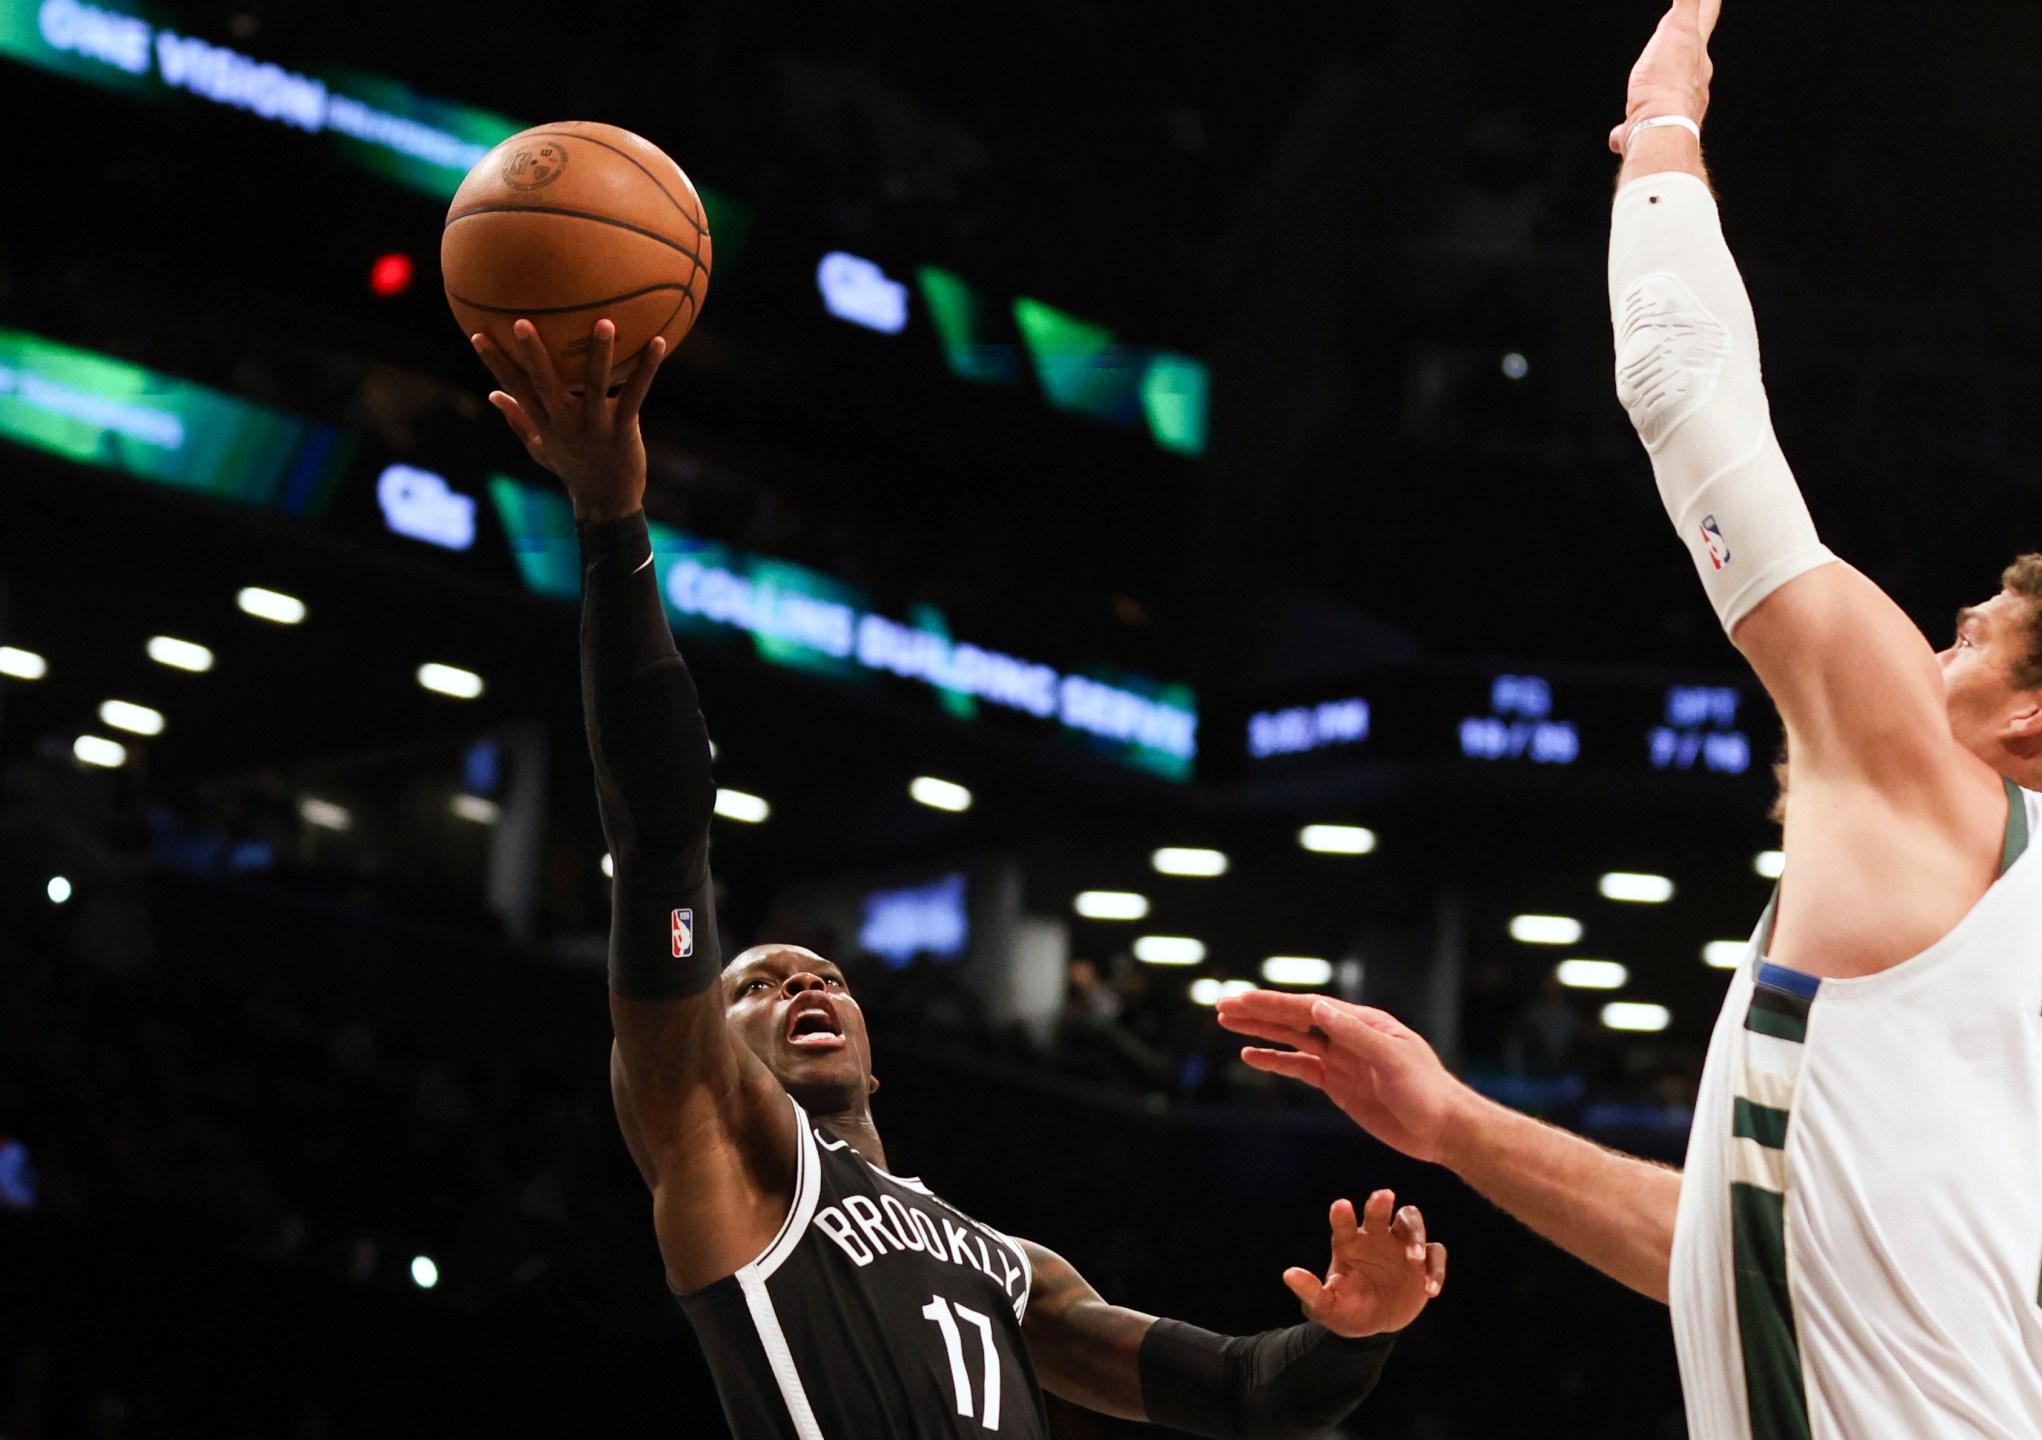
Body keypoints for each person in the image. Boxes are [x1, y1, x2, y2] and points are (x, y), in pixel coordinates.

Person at [1215, 3, 2042, 1437]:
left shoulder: (1951, 814)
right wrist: (1449, 1125)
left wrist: (1664, 123)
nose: (1927, 654)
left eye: (1966, 637)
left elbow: (1683, 390)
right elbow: (1745, 1252)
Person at [472, 317, 1447, 1440]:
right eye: (753, 983)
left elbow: (1237, 1389)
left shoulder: (1009, 1265)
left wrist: (1356, 1332)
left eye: (824, 973)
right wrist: (611, 521)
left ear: (878, 1064)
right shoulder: (723, 1145)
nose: (802, 986)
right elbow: (658, 836)